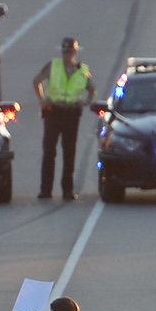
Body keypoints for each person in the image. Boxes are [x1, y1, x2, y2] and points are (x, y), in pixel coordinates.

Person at [35, 36, 94, 201]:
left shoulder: (82, 70)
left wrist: (86, 102)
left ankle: (67, 190)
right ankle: (45, 190)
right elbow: (36, 81)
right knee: (49, 152)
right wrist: (42, 100)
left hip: (72, 115)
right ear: (62, 52)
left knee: (69, 153)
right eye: (65, 51)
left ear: (76, 52)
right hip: (53, 113)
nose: (68, 54)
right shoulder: (54, 66)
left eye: (70, 51)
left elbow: (92, 89)